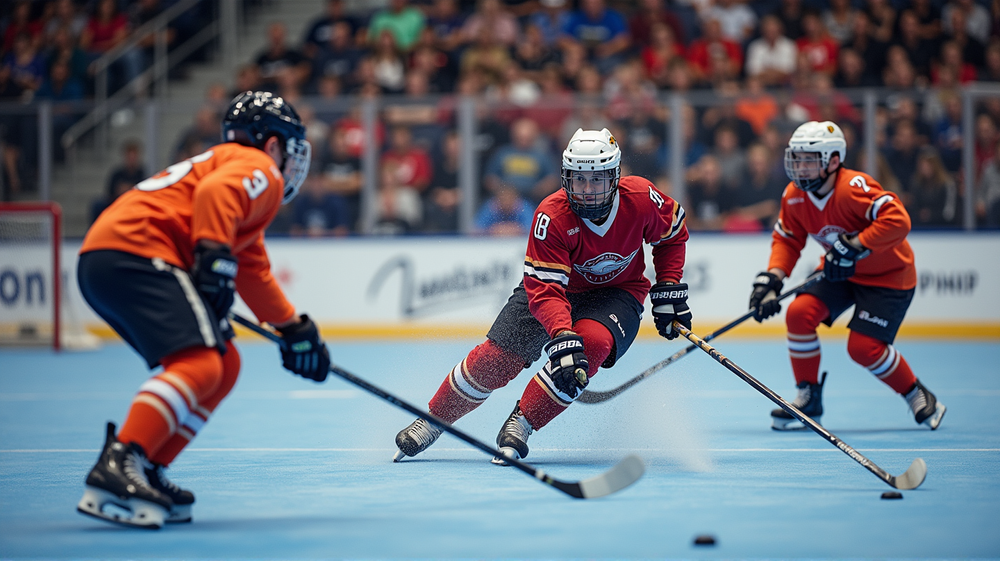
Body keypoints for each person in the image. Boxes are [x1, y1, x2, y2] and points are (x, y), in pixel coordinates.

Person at [74, 91, 331, 529]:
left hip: (109, 258)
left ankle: (149, 465)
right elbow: (216, 196)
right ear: (271, 144)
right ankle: (122, 459)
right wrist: (212, 255)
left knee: (225, 363)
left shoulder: (229, 166)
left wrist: (294, 328)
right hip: (137, 253)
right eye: (287, 146)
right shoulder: (258, 169)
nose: (288, 161)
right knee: (199, 362)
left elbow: (251, 270)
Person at [392, 128, 691, 464]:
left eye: (597, 180)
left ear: (615, 177)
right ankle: (434, 419)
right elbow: (547, 290)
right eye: (579, 180)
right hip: (554, 291)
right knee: (496, 358)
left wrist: (668, 285)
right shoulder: (552, 216)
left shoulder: (641, 198)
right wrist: (563, 335)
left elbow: (672, 235)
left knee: (592, 344)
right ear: (566, 179)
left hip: (617, 293)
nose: (588, 191)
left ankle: (523, 422)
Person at [747, 121, 946, 433]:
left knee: (863, 348)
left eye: (809, 159)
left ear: (834, 161)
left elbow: (898, 220)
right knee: (799, 314)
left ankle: (914, 392)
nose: (800, 167)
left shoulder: (854, 187)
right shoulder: (793, 196)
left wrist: (856, 244)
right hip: (840, 271)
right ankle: (809, 397)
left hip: (888, 276)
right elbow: (788, 239)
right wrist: (773, 278)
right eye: (797, 159)